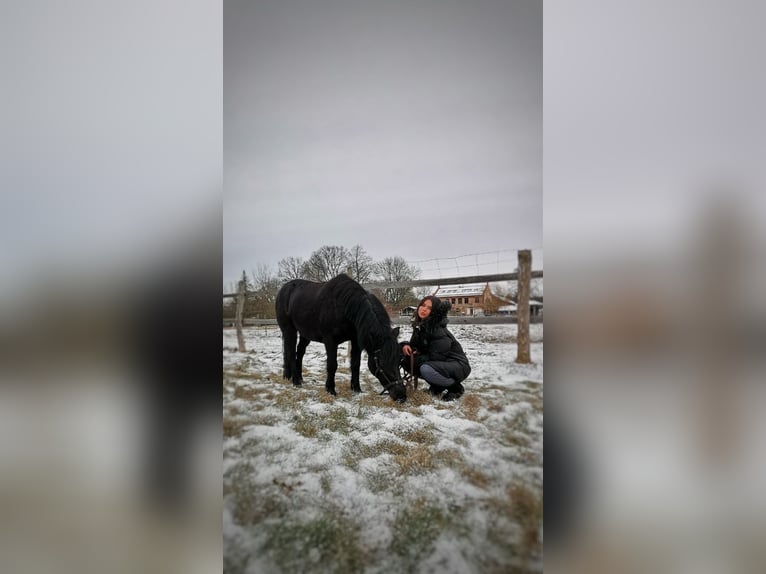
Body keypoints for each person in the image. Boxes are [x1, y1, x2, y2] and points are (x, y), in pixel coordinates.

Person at [400, 295, 471, 400]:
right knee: (407, 359)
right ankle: (438, 387)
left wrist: (415, 359)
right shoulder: (422, 326)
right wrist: (405, 346)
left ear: (434, 312)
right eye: (423, 305)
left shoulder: (437, 330)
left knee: (425, 368)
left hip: (458, 365)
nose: (424, 309)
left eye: (429, 308)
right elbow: (415, 346)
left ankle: (455, 388)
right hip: (444, 364)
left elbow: (437, 356)